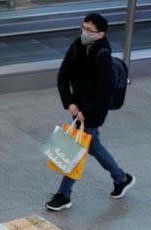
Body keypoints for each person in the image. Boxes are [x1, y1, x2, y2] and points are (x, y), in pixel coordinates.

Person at [46, 13, 136, 211]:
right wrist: (69, 103)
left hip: (94, 110)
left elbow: (104, 90)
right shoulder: (77, 45)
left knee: (76, 148)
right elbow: (63, 76)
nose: (84, 32)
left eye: (89, 30)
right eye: (83, 27)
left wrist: (86, 112)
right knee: (92, 144)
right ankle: (121, 178)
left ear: (100, 34)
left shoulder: (103, 54)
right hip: (77, 107)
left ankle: (64, 194)